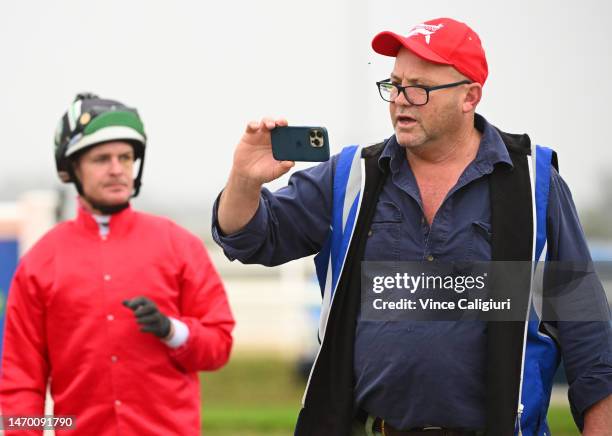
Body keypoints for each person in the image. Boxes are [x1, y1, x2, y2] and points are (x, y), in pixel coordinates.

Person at [212, 17, 612, 436]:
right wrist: (245, 179)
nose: (401, 100)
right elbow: (249, 238)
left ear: (469, 96)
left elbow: (588, 336)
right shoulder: (351, 177)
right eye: (395, 85)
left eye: (419, 88)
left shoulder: (534, 186)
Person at [0, 93, 235, 435]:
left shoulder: (179, 245)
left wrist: (172, 331)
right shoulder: (40, 262)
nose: (116, 169)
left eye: (125, 157)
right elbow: (20, 381)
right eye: (101, 159)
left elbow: (219, 346)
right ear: (71, 169)